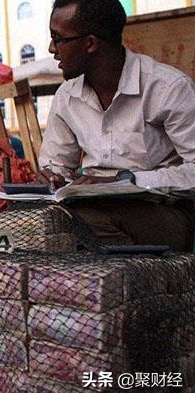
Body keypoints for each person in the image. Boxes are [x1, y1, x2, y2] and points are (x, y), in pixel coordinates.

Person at [36, 0, 195, 250]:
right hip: (90, 208)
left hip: (164, 212)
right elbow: (55, 166)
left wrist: (126, 180)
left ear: (90, 43)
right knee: (26, 222)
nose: (52, 48)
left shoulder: (168, 88)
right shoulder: (66, 97)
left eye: (58, 39)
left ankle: (137, 274)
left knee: (82, 223)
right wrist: (52, 177)